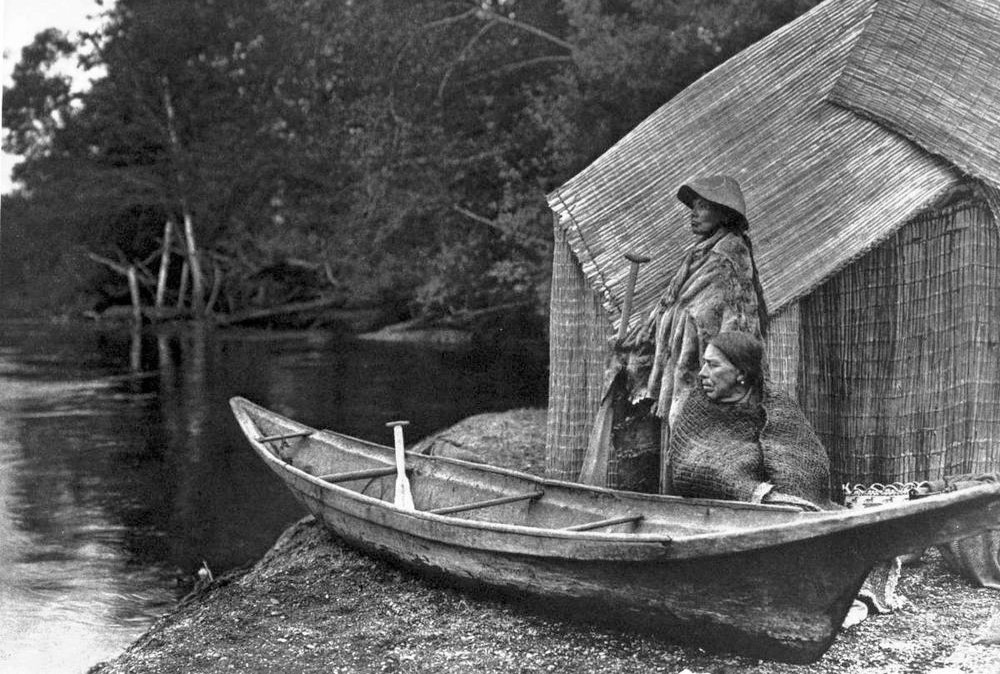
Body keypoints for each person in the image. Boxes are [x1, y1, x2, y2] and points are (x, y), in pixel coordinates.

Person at [582, 175, 768, 493]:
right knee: (675, 439)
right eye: (693, 207)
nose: (694, 214)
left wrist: (721, 368)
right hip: (682, 367)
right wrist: (646, 333)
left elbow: (736, 326)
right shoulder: (697, 255)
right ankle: (672, 502)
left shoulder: (730, 260)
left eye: (703, 207)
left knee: (699, 444)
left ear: (725, 215)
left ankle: (695, 507)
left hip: (707, 372)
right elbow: (673, 304)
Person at [666, 331, 834, 509]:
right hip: (716, 513)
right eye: (704, 363)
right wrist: (759, 494)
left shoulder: (777, 404)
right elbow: (690, 468)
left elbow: (808, 461)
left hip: (790, 510)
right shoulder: (696, 408)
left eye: (713, 365)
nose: (702, 373)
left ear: (741, 373)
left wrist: (789, 497)